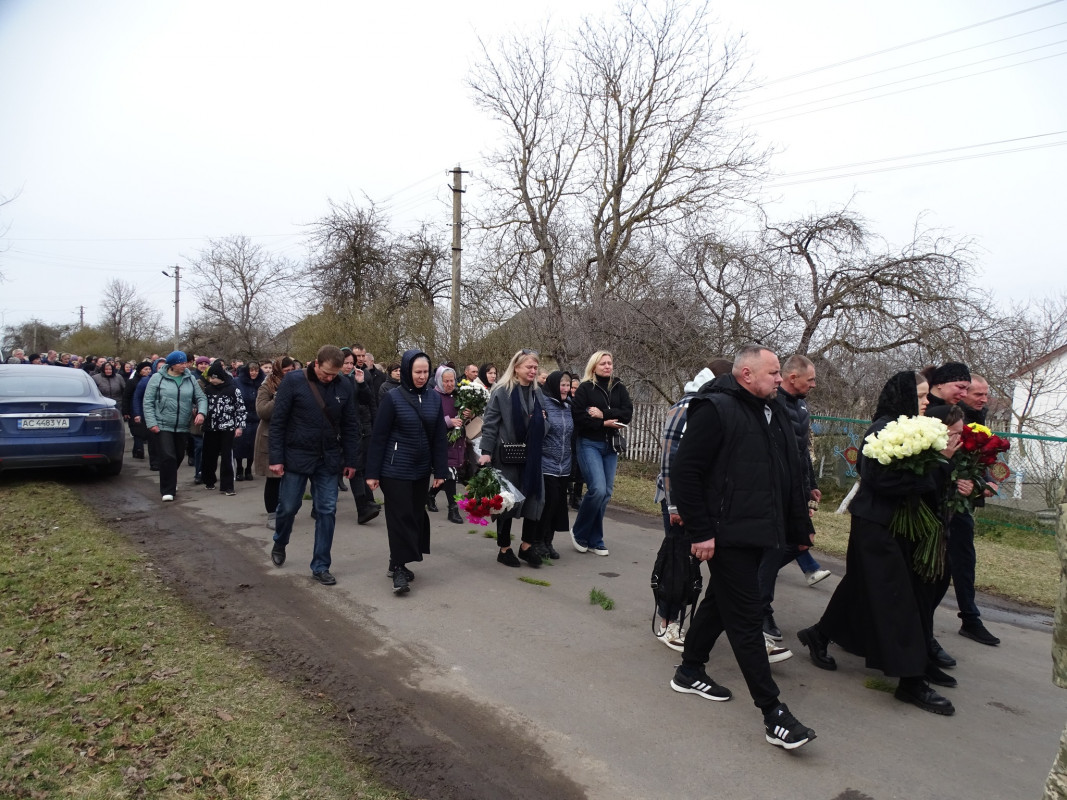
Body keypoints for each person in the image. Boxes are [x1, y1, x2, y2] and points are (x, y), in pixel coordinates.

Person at [668, 344, 816, 750]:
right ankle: (774, 715)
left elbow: (790, 473)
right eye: (772, 373)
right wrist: (700, 531)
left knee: (720, 602)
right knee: (747, 618)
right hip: (724, 532)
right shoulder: (715, 409)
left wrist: (799, 527)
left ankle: (689, 669)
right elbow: (687, 472)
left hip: (760, 532)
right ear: (746, 375)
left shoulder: (774, 412)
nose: (779, 380)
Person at [796, 371, 960, 716]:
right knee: (897, 600)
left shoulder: (912, 426)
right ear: (902, 396)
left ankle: (819, 634)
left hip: (901, 526)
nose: (928, 402)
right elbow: (881, 480)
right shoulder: (880, 430)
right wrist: (939, 464)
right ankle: (910, 681)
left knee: (862, 588)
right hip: (878, 526)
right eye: (921, 395)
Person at [268, 345, 361, 586]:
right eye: (326, 373)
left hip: (328, 458)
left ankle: (321, 565)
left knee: (327, 511)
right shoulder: (293, 382)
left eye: (334, 374)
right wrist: (276, 458)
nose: (329, 378)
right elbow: (278, 422)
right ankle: (280, 540)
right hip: (297, 455)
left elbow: (351, 425)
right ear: (316, 364)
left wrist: (351, 460)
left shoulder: (344, 386)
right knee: (288, 507)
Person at [928, 365, 1002, 648]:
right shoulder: (943, 413)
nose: (984, 400)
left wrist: (983, 483)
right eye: (978, 394)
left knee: (963, 559)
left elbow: (978, 458)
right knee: (937, 566)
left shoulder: (978, 418)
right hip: (942, 495)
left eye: (986, 395)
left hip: (961, 500)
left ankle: (970, 617)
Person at [760, 354, 831, 644]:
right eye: (810, 379)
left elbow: (802, 451)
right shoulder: (772, 404)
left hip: (797, 490)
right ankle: (761, 608)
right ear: (793, 378)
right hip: (775, 491)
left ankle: (756, 584)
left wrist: (810, 484)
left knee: (801, 542)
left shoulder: (801, 406)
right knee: (776, 548)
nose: (813, 385)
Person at [365, 349, 448, 595]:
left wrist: (441, 470)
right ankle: (399, 569)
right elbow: (379, 437)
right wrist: (372, 473)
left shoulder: (434, 399)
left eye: (426, 372)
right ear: (406, 372)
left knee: (414, 515)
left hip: (420, 470)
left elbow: (439, 438)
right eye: (417, 372)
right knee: (398, 516)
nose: (422, 376)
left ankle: (396, 560)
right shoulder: (393, 398)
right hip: (395, 468)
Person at [477, 349, 548, 568]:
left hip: (532, 456)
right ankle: (504, 548)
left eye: (535, 367)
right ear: (516, 368)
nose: (533, 371)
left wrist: (541, 422)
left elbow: (546, 423)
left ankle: (526, 547)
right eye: (529, 367)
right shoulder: (501, 392)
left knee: (536, 500)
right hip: (506, 455)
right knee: (507, 503)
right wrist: (486, 453)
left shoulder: (538, 393)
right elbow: (490, 425)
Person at [570, 351, 632, 556]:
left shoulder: (619, 387)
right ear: (594, 366)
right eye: (603, 363)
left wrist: (603, 414)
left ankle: (595, 538)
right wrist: (604, 423)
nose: (607, 366)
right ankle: (579, 532)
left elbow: (627, 413)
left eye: (610, 363)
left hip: (610, 446)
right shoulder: (586, 388)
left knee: (606, 493)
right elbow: (579, 417)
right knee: (597, 489)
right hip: (589, 443)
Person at [143, 351, 207, 502]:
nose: (185, 366)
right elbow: (148, 402)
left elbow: (201, 398)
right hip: (163, 423)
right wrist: (151, 422)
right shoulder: (157, 378)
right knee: (168, 456)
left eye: (186, 363)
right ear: (172, 365)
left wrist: (201, 413)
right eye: (181, 363)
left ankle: (170, 479)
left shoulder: (190, 378)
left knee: (178, 455)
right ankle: (168, 490)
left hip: (183, 425)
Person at [534, 370, 574, 560]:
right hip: (546, 463)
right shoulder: (543, 403)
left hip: (564, 465)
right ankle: (539, 541)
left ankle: (549, 541)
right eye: (562, 385)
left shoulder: (569, 406)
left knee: (558, 505)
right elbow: (538, 432)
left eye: (568, 385)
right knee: (548, 504)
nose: (565, 389)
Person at [340, 346, 380, 524]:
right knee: (351, 468)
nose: (349, 366)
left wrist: (361, 383)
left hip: (358, 426)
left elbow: (367, 400)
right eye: (345, 363)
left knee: (359, 467)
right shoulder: (334, 380)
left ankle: (366, 505)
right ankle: (363, 506)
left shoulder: (359, 376)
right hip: (340, 429)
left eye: (351, 363)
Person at [255, 356, 295, 528]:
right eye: (286, 372)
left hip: (292, 437)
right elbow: (262, 412)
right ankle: (272, 514)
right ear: (278, 370)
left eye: (292, 371)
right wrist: (279, 397)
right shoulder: (267, 386)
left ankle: (286, 511)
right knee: (273, 479)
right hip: (271, 437)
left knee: (291, 479)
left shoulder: (299, 385)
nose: (290, 374)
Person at [200, 359, 246, 496]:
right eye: (211, 377)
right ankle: (209, 480)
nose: (213, 380)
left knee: (227, 456)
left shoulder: (233, 390)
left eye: (215, 377)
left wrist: (240, 426)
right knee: (209, 455)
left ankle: (227, 486)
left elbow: (241, 409)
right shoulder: (207, 390)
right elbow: (200, 405)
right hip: (210, 427)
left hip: (228, 428)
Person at [428, 365, 466, 524]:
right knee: (450, 474)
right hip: (441, 442)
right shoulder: (433, 395)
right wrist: (448, 422)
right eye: (447, 381)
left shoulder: (459, 395)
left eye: (452, 380)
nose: (450, 384)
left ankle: (430, 495)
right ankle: (453, 509)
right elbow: (429, 420)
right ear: (439, 381)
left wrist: (467, 414)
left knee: (447, 475)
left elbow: (464, 418)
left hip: (457, 441)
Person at [233, 362, 263, 481]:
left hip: (256, 418)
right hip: (241, 417)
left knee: (253, 445)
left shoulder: (262, 382)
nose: (254, 373)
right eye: (251, 370)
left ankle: (249, 469)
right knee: (239, 445)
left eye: (256, 370)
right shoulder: (237, 382)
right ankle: (239, 468)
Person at [123, 360, 152, 459]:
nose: (148, 371)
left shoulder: (151, 381)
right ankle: (139, 450)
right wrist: (126, 411)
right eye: (145, 369)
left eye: (149, 369)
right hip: (134, 409)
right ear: (140, 371)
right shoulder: (132, 382)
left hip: (146, 408)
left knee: (144, 430)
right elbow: (126, 397)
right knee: (137, 430)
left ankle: (137, 450)